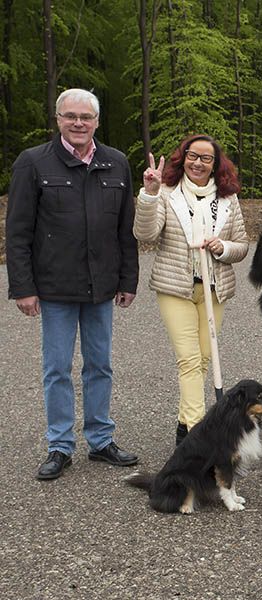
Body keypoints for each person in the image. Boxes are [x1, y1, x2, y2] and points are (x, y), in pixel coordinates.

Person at [6, 88, 140, 480]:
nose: (78, 123)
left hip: (101, 287)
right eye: (70, 116)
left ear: (97, 121)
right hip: (55, 287)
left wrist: (127, 279)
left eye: (85, 117)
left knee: (100, 365)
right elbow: (18, 232)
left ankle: (100, 440)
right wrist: (23, 287)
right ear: (58, 120)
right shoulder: (33, 163)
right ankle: (60, 445)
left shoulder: (116, 163)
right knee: (57, 369)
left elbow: (125, 230)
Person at [133, 134, 249, 445]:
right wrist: (149, 194)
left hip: (214, 289)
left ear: (216, 164)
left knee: (203, 360)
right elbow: (145, 235)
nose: (197, 162)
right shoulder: (167, 192)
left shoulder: (228, 198)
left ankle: (184, 429)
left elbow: (241, 246)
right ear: (183, 158)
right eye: (192, 156)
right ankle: (200, 435)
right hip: (176, 288)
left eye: (205, 158)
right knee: (188, 359)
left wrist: (222, 246)